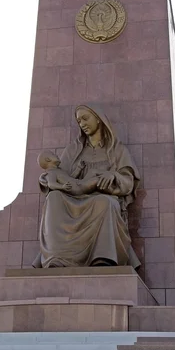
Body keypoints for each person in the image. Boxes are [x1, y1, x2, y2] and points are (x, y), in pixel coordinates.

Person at [33, 104, 140, 269]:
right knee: (53, 198)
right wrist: (45, 179)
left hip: (103, 198)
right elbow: (58, 174)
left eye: (85, 118)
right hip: (74, 196)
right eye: (78, 120)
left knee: (104, 203)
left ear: (98, 119)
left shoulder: (117, 150)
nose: (82, 123)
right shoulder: (73, 150)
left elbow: (128, 181)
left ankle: (102, 258)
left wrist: (113, 175)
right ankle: (57, 259)